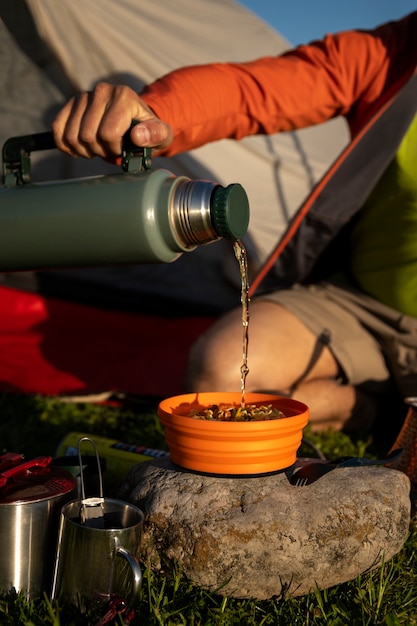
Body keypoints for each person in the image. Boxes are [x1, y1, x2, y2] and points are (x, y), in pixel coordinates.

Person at [52, 12, 417, 437]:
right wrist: (155, 114)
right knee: (223, 377)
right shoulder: (397, 52)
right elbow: (252, 92)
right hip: (358, 301)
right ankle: (378, 414)